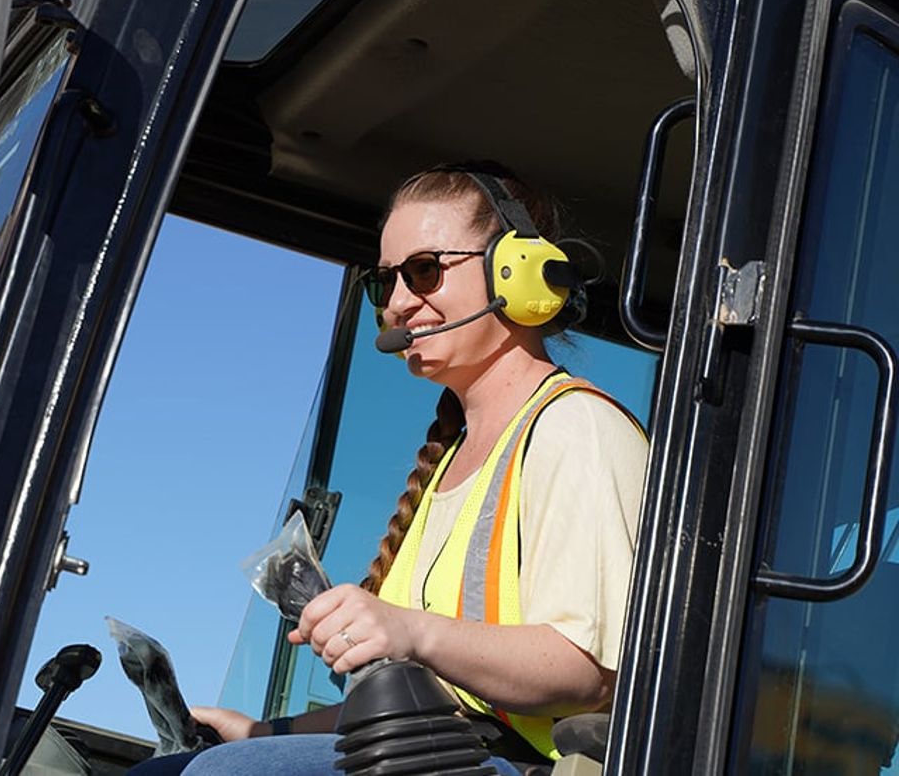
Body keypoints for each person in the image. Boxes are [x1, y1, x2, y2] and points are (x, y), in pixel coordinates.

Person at [129, 163, 648, 776]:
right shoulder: (448, 463)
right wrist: (259, 733)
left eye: (424, 271)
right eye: (386, 283)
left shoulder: (577, 428)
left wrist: (410, 631)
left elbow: (589, 672)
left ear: (517, 270)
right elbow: (419, 712)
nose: (398, 304)